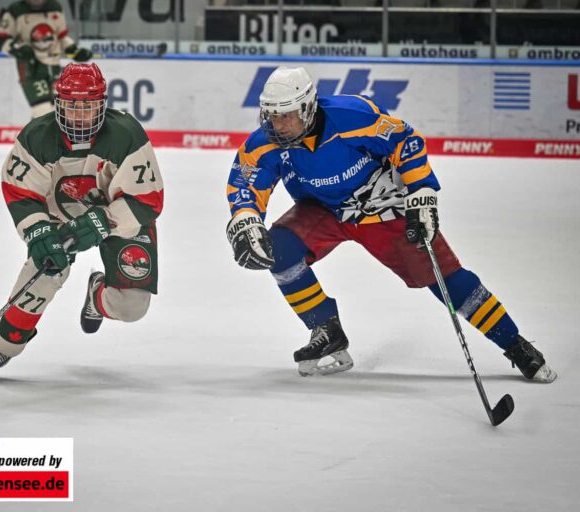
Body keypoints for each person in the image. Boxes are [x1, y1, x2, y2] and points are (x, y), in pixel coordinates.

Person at [225, 66, 556, 383]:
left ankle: (514, 343)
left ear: (308, 107)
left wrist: (421, 191)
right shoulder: (264, 144)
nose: (278, 124)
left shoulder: (352, 116)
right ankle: (325, 329)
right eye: (272, 115)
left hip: (379, 206)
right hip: (322, 210)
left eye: (286, 115)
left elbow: (404, 141)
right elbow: (245, 184)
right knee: (279, 249)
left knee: (445, 278)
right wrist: (246, 218)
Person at [0, 62, 163, 377]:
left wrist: (101, 222)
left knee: (131, 307)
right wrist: (38, 232)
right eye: (72, 106)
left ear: (102, 105)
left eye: (88, 107)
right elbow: (20, 191)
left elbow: (146, 200)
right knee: (41, 276)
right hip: (58, 219)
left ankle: (96, 296)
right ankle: (3, 348)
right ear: (59, 104)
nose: (79, 115)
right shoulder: (37, 136)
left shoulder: (126, 134)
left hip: (117, 216)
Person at [0, 0, 92, 118]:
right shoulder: (15, 11)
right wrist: (18, 50)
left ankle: (38, 130)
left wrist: (74, 51)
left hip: (54, 66)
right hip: (30, 68)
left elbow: (61, 37)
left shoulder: (55, 7)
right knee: (42, 111)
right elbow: (1, 39)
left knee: (60, 112)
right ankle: (37, 129)